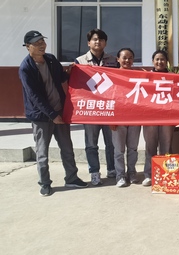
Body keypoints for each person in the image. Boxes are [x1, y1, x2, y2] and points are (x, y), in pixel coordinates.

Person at [19, 30, 88, 196]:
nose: (42, 45)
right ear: (28, 47)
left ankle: (71, 178)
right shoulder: (26, 68)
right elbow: (34, 96)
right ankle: (44, 183)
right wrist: (52, 115)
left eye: (42, 42)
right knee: (42, 152)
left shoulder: (50, 59)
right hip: (42, 117)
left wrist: (70, 72)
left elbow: (61, 77)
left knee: (67, 148)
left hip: (60, 111)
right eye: (37, 43)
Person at [75, 28, 118, 185]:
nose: (97, 42)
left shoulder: (113, 61)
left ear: (105, 43)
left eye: (101, 39)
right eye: (94, 39)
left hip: (108, 108)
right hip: (90, 109)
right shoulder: (80, 61)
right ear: (88, 43)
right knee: (91, 144)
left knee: (111, 142)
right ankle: (94, 172)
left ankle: (112, 169)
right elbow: (77, 85)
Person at [142, 50, 175, 187]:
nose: (160, 62)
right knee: (150, 147)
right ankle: (149, 175)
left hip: (167, 118)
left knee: (166, 147)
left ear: (167, 62)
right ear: (152, 61)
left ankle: (165, 174)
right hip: (150, 118)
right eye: (157, 59)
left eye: (162, 59)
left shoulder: (174, 77)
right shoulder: (146, 77)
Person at [110, 48, 142, 187]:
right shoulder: (113, 76)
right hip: (118, 119)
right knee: (119, 150)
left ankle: (132, 173)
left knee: (133, 149)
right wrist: (111, 119)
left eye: (130, 58)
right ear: (118, 59)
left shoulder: (139, 76)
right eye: (124, 58)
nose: (127, 60)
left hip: (134, 118)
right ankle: (120, 176)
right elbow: (109, 97)